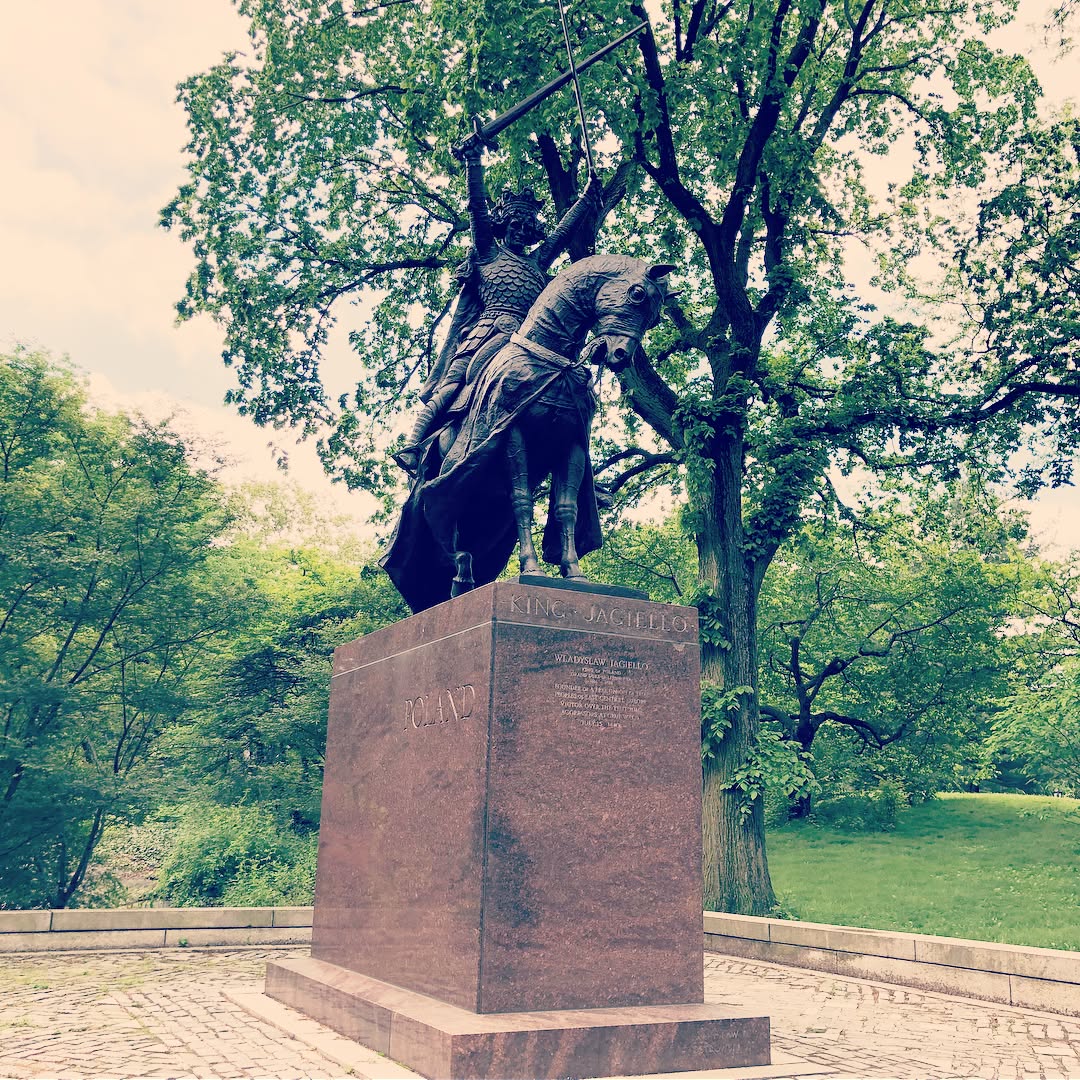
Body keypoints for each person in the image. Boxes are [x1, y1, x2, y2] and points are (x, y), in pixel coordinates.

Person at [394, 139, 601, 474]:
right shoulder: (489, 253)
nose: (519, 231)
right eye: (514, 225)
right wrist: (472, 163)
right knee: (456, 381)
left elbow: (562, 234)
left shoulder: (537, 263)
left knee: (573, 383)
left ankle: (578, 466)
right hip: (488, 332)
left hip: (528, 340)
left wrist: (588, 199)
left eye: (526, 227)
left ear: (533, 231)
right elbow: (477, 210)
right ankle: (415, 444)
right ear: (504, 225)